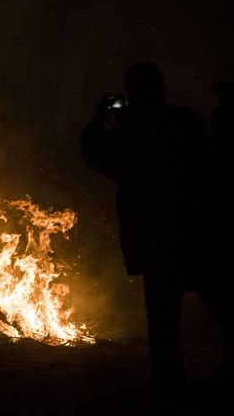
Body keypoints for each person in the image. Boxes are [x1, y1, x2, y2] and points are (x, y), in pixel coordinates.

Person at [80, 62, 230, 393]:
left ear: (133, 95)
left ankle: (172, 397)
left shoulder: (131, 135)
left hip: (159, 242)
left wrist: (98, 121)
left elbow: (95, 154)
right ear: (162, 89)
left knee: (164, 331)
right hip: (201, 235)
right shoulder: (187, 122)